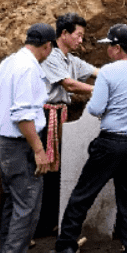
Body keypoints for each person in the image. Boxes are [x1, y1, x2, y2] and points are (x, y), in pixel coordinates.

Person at [49, 24, 127, 253]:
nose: (107, 50)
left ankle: (65, 247)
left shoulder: (109, 72)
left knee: (83, 195)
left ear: (117, 48)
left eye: (110, 45)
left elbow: (96, 109)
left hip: (110, 143)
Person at [0, 23, 57, 253]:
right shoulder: (28, 69)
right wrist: (39, 149)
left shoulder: (9, 63)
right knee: (27, 207)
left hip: (4, 142)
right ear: (47, 46)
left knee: (13, 205)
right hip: (19, 145)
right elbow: (23, 115)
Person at [35, 12, 99, 239]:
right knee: (43, 171)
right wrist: (101, 90)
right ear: (64, 34)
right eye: (78, 35)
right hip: (45, 118)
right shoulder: (51, 57)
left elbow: (95, 72)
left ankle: (47, 223)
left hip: (59, 118)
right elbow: (69, 85)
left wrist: (118, 77)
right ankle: (35, 227)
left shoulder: (70, 60)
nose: (81, 40)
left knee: (56, 172)